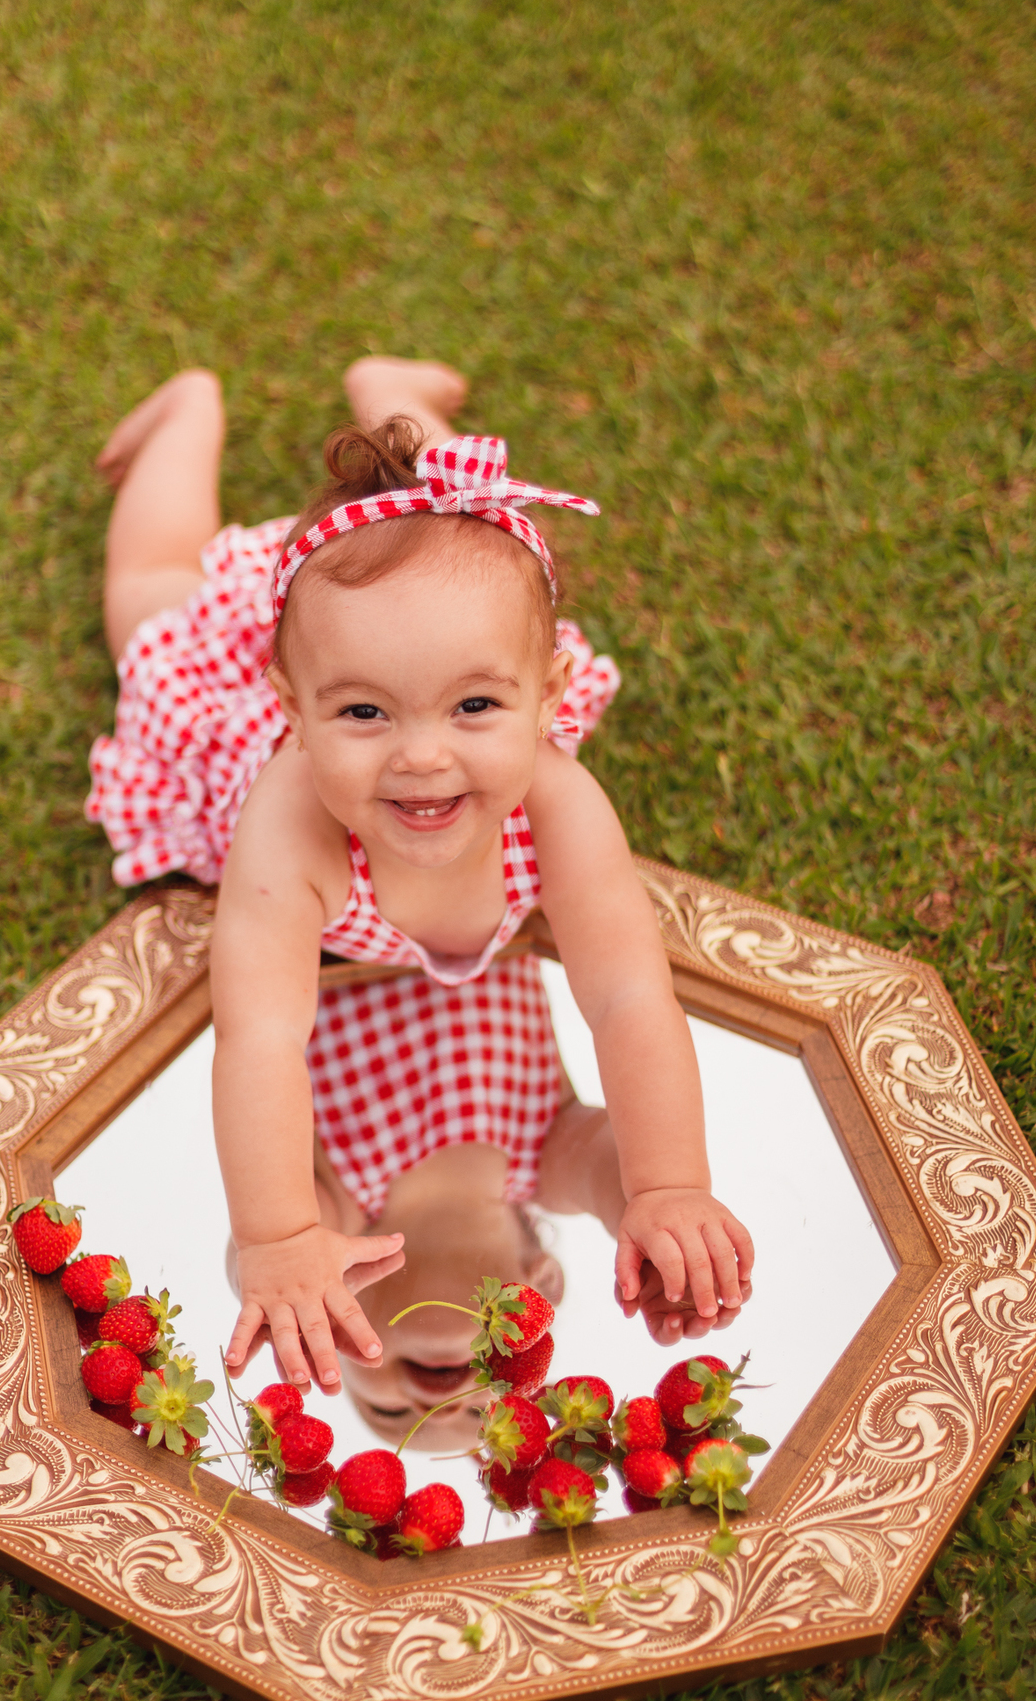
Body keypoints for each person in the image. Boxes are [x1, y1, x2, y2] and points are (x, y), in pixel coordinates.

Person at [87, 358, 754, 1398]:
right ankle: (190, 406)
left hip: (431, 624)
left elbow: (628, 991)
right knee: (150, 600)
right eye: (362, 714)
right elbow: (259, 1034)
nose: (422, 757)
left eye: (478, 710)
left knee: (456, 556)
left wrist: (667, 1186)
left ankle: (398, 413)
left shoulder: (555, 799)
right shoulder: (291, 824)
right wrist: (276, 1238)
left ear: (547, 697)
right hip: (249, 724)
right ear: (296, 710)